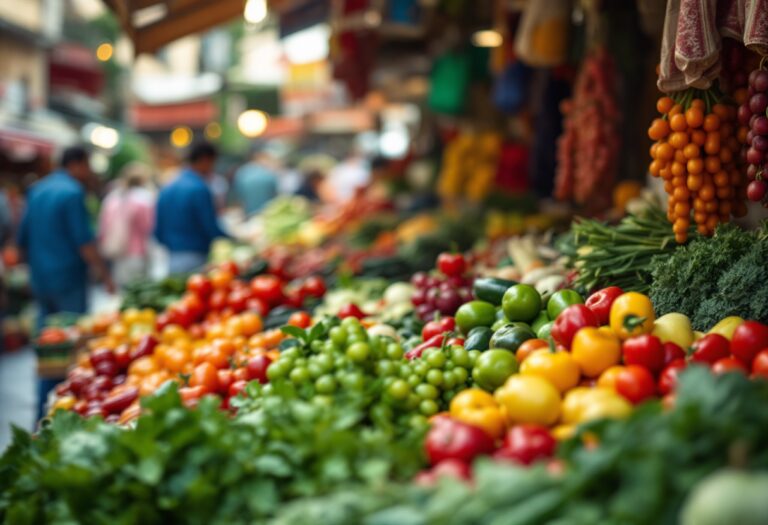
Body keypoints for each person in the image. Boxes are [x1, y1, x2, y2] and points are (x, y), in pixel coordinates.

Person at [17, 146, 115, 330]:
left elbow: (22, 237)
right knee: (74, 332)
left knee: (46, 335)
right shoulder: (73, 192)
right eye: (87, 165)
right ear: (76, 164)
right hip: (68, 277)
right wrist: (105, 275)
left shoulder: (36, 190)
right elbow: (84, 241)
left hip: (39, 276)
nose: (89, 171)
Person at [154, 142, 228, 274]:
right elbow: (210, 226)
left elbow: (158, 230)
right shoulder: (200, 188)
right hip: (196, 257)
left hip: (172, 257)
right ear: (205, 160)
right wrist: (232, 239)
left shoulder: (168, 187)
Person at [98, 163, 155, 288]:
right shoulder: (143, 199)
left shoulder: (112, 199)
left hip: (117, 254)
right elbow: (149, 228)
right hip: (137, 254)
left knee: (123, 291)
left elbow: (102, 228)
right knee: (139, 291)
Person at [232, 147, 279, 216]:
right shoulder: (268, 173)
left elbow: (239, 198)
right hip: (267, 215)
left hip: (248, 214)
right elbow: (275, 197)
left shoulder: (242, 172)